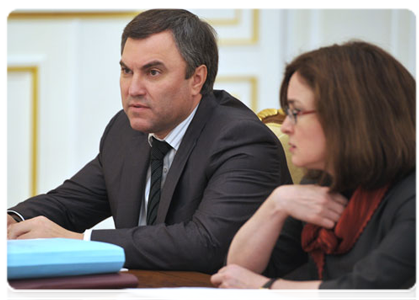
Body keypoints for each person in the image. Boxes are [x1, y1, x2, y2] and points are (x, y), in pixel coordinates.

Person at [5, 8, 291, 274]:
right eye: (127, 71)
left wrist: (81, 242)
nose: (133, 89)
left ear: (197, 79)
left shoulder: (240, 139)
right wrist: (14, 219)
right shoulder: (126, 130)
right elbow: (69, 203)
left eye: (153, 73)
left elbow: (206, 244)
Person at [211, 41, 419, 299]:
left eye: (296, 112)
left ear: (349, 117)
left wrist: (263, 287)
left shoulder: (414, 195)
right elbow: (238, 272)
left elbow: (362, 291)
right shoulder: (323, 180)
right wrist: (276, 204)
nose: (285, 126)